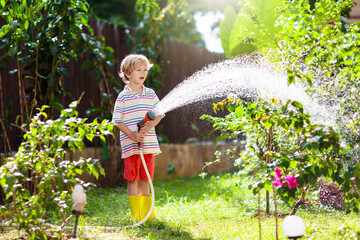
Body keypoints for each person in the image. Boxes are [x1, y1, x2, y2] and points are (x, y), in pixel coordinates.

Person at [112, 54, 163, 223]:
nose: (143, 73)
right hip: (131, 146)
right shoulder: (123, 96)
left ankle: (147, 215)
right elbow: (117, 121)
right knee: (133, 178)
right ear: (127, 73)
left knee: (145, 178)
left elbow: (159, 114)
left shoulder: (150, 93)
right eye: (138, 70)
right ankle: (136, 215)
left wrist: (150, 125)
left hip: (148, 145)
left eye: (145, 70)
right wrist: (133, 135)